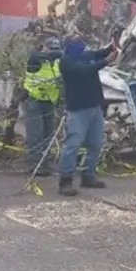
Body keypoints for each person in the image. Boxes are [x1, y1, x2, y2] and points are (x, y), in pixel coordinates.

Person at [56, 34, 116, 196]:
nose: (80, 41)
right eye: (76, 40)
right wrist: (106, 61)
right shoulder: (66, 62)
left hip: (94, 107)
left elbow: (100, 53)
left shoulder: (86, 55)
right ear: (69, 45)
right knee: (72, 144)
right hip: (77, 109)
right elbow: (86, 70)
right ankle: (65, 180)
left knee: (95, 143)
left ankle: (88, 176)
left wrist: (112, 46)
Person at [22, 36, 64, 176]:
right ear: (43, 47)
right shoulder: (35, 60)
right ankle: (35, 165)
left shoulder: (57, 63)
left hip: (49, 103)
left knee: (48, 134)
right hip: (34, 101)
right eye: (51, 48)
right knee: (36, 134)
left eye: (56, 49)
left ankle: (45, 164)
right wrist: (57, 53)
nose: (54, 52)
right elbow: (40, 57)